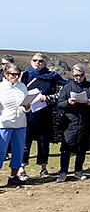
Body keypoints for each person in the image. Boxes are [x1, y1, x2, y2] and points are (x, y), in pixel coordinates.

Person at [20, 52, 66, 180]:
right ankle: (22, 169)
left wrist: (48, 98)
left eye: (40, 61)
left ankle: (43, 168)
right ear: (31, 61)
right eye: (35, 60)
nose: (37, 63)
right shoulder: (24, 76)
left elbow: (61, 93)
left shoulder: (52, 77)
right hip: (27, 115)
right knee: (25, 143)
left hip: (46, 115)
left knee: (43, 143)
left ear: (45, 63)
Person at [55, 64, 90, 182]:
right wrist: (68, 102)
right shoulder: (67, 87)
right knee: (66, 148)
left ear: (84, 75)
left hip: (85, 121)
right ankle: (63, 172)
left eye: (81, 75)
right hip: (70, 122)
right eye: (76, 76)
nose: (78, 78)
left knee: (81, 148)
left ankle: (78, 171)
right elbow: (60, 103)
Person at [1, 64, 30, 187]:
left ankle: (13, 176)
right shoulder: (1, 87)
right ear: (6, 75)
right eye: (13, 74)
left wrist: (27, 107)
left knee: (18, 152)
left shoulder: (22, 86)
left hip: (20, 123)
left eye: (18, 74)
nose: (16, 77)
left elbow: (27, 104)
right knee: (1, 151)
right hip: (4, 123)